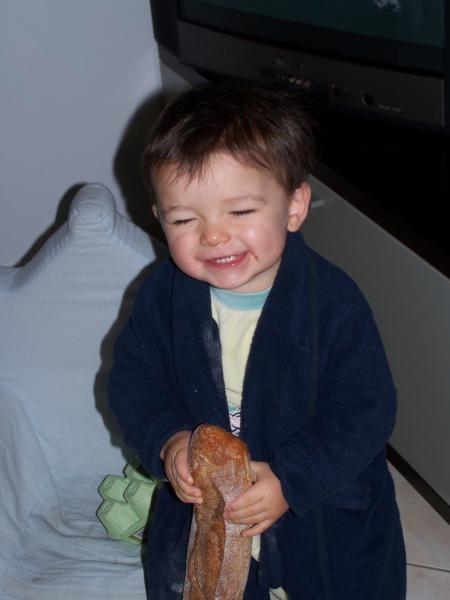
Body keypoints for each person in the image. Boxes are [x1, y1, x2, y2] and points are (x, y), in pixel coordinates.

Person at [108, 81, 406, 599]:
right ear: (159, 218)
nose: (213, 235)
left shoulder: (333, 304)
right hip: (208, 505)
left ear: (294, 206)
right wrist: (168, 438)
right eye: (184, 219)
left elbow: (366, 408)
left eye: (240, 212)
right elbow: (135, 380)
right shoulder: (163, 296)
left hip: (317, 508)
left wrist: (293, 478)